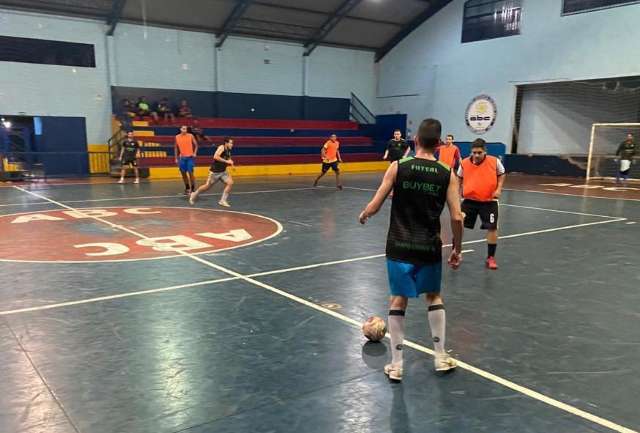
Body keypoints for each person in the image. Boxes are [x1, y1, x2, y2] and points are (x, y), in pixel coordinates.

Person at [359, 118, 463, 382]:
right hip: (428, 246)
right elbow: (457, 217)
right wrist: (457, 249)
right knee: (433, 297)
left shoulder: (398, 167)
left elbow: (376, 203)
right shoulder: (447, 173)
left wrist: (365, 214)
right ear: (439, 144)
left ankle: (396, 365)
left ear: (415, 140)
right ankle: (440, 357)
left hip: (399, 245)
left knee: (398, 299)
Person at [457, 138, 505, 270]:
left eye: (479, 152)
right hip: (469, 201)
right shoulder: (464, 163)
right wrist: (457, 192)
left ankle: (491, 257)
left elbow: (501, 174)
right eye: (474, 152)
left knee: (492, 228)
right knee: (458, 224)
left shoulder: (495, 162)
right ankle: (456, 252)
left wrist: (499, 189)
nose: (476, 155)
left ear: (485, 151)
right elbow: (459, 178)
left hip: (489, 202)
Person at [190, 137, 234, 207]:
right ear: (226, 143)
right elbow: (215, 156)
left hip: (223, 172)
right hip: (215, 172)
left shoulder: (228, 150)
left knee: (230, 183)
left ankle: (222, 200)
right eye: (231, 143)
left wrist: (231, 163)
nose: (232, 144)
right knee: (206, 187)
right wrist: (226, 161)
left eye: (232, 143)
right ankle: (194, 194)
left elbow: (228, 157)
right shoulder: (221, 147)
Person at [174, 125, 198, 195]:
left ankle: (193, 189)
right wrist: (175, 158)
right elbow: (176, 148)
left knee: (191, 173)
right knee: (183, 174)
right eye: (183, 129)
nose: (185, 130)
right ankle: (187, 188)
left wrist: (195, 153)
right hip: (182, 158)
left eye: (186, 129)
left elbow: (196, 145)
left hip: (190, 157)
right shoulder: (177, 137)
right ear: (180, 129)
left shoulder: (191, 136)